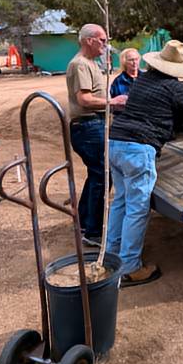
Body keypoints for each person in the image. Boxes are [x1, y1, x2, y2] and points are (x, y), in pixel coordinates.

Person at [106, 40, 183, 287]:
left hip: (115, 142)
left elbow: (156, 102)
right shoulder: (173, 87)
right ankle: (130, 268)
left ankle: (110, 258)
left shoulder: (144, 80)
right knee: (137, 208)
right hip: (139, 148)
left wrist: (181, 100)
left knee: (121, 203)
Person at [65, 24, 126, 242]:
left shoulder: (91, 63)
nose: (105, 44)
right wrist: (113, 102)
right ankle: (93, 233)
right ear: (89, 40)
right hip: (88, 126)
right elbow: (84, 99)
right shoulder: (80, 64)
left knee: (96, 174)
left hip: (93, 125)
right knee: (103, 174)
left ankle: (84, 222)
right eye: (102, 40)